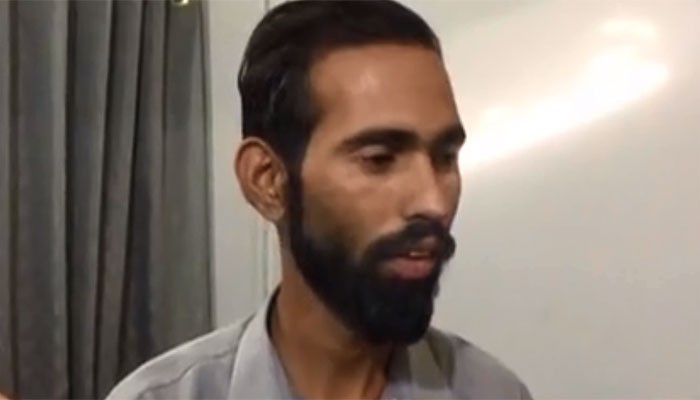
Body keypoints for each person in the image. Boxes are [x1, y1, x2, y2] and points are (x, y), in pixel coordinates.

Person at [108, 0, 531, 398]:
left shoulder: (490, 391)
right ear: (267, 180)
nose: (434, 202)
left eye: (445, 157)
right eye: (379, 159)